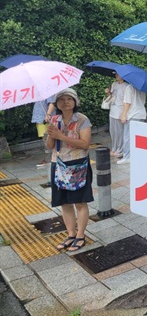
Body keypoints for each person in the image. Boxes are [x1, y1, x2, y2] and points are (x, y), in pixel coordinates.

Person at [46, 88, 93, 252]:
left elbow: (85, 144)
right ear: (57, 103)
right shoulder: (55, 119)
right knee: (64, 203)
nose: (65, 102)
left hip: (77, 165)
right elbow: (50, 146)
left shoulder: (82, 120)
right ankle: (71, 234)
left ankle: (81, 235)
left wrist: (61, 136)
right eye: (61, 99)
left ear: (75, 101)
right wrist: (51, 135)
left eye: (69, 99)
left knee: (79, 202)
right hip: (58, 164)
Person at [116, 83, 147, 165]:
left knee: (127, 137)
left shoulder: (129, 87)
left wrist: (123, 115)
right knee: (138, 137)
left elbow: (127, 103)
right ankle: (137, 155)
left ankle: (127, 157)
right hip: (141, 114)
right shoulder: (143, 88)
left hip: (133, 114)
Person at [104, 72, 127, 158]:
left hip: (119, 111)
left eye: (118, 74)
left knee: (119, 132)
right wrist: (109, 92)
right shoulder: (114, 84)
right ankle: (114, 148)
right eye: (115, 74)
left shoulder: (126, 86)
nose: (116, 75)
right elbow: (112, 96)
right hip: (113, 110)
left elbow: (126, 101)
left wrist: (124, 114)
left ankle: (120, 149)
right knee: (113, 131)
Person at [31, 96, 55, 168]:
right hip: (40, 118)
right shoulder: (38, 91)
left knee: (48, 139)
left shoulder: (46, 90)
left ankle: (50, 159)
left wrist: (48, 114)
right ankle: (50, 158)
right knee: (45, 139)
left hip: (45, 119)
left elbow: (52, 102)